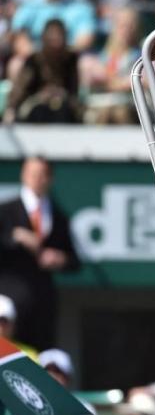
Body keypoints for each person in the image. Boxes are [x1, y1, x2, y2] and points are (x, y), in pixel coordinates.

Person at [0, 157, 80, 350]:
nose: (37, 179)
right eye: (32, 174)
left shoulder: (58, 217)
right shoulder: (5, 211)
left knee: (41, 355)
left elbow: (74, 261)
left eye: (42, 175)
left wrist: (60, 259)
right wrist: (15, 238)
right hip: (9, 299)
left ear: (50, 179)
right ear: (24, 176)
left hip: (42, 303)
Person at [4, 19, 80, 123]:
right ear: (44, 37)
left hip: (64, 109)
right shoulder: (34, 60)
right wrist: (11, 108)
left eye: (58, 35)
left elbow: (73, 91)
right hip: (35, 109)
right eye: (52, 35)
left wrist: (61, 94)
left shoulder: (71, 59)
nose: (55, 39)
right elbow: (20, 89)